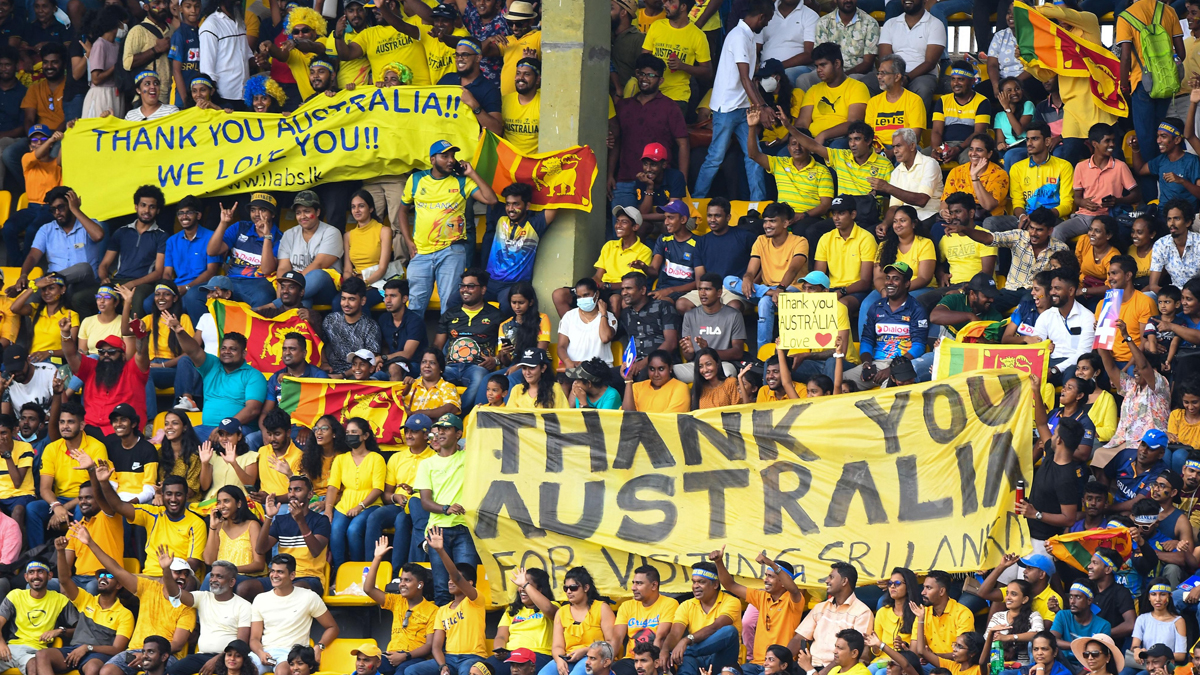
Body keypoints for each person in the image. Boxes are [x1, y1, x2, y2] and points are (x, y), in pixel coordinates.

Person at [403, 142, 498, 316]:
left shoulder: (462, 181)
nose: (450, 160)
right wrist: (408, 241)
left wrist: (472, 173)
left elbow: (491, 200)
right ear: (433, 159)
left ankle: (448, 344)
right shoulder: (416, 179)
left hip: (451, 251)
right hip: (421, 252)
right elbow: (402, 209)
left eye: (452, 156)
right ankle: (415, 343)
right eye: (445, 156)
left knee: (449, 304)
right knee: (415, 306)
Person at [691, 0, 773, 200]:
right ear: (761, 17)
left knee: (754, 155)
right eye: (768, 20)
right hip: (727, 108)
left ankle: (757, 204)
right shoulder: (738, 36)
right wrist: (761, 108)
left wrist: (763, 106)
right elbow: (745, 78)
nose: (767, 25)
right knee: (715, 158)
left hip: (744, 107)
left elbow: (751, 81)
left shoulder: (749, 36)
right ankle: (696, 201)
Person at [41, 533, 132, 675]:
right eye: (101, 575)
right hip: (74, 649)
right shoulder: (87, 599)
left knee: (93, 668)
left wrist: (87, 648)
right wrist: (60, 551)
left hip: (97, 654)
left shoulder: (125, 614)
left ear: (119, 585)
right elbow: (64, 580)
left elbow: (117, 649)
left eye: (109, 576)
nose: (103, 578)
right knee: (42, 655)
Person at [608, 54, 688, 212]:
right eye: (642, 74)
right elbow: (617, 142)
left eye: (651, 75)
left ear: (661, 80)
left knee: (654, 228)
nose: (645, 78)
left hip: (658, 182)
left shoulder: (670, 108)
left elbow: (683, 144)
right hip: (624, 180)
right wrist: (610, 174)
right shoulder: (624, 106)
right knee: (623, 229)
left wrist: (682, 181)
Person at [406, 525, 488, 675]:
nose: (450, 581)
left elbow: (456, 576)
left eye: (454, 580)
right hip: (449, 658)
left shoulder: (475, 599)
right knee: (411, 671)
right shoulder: (442, 610)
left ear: (469, 584)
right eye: (449, 579)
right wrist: (443, 666)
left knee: (467, 672)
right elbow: (436, 647)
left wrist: (440, 550)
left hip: (473, 657)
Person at [10, 188, 105, 314]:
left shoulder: (89, 224)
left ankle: (39, 284)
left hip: (84, 284)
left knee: (83, 267)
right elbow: (33, 256)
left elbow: (99, 235)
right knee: (29, 300)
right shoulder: (46, 229)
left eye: (61, 207)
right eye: (53, 210)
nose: (57, 212)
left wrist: (76, 210)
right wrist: (24, 275)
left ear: (70, 205)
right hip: (55, 287)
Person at [414, 413, 476, 605]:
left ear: (458, 434)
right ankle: (443, 634)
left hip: (464, 529)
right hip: (437, 531)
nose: (440, 433)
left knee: (466, 586)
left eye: (446, 429)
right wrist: (446, 508)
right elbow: (425, 502)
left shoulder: (470, 458)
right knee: (442, 588)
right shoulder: (427, 464)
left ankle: (465, 632)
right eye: (439, 429)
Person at [727, 202, 806, 350]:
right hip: (769, 290)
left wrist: (780, 288)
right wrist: (747, 279)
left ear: (786, 223)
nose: (767, 225)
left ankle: (762, 353)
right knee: (728, 281)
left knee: (764, 302)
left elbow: (793, 269)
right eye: (765, 221)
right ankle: (769, 293)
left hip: (792, 290)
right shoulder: (761, 240)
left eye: (772, 221)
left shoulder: (800, 241)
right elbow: (751, 269)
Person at [27, 401, 106, 548]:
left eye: (70, 422)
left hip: (86, 498)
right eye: (62, 422)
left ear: (82, 425)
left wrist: (64, 508)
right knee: (32, 509)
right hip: (60, 499)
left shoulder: (97, 447)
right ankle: (36, 556)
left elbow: (97, 488)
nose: (65, 426)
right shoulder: (52, 449)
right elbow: (45, 488)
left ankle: (75, 557)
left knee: (82, 508)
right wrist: (56, 506)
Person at [159, 553, 252, 675]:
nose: (213, 579)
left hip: (229, 658)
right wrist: (166, 570)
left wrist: (218, 659)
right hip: (201, 657)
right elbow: (175, 594)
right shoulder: (203, 597)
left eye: (219, 577)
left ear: (231, 582)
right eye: (212, 575)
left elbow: (240, 643)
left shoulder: (244, 605)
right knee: (171, 672)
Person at [249, 554, 339, 675]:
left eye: (280, 572)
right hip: (264, 652)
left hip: (291, 653)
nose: (274, 575)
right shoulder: (260, 599)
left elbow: (332, 627)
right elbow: (254, 638)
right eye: (272, 571)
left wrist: (319, 647)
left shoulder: (309, 596)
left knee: (282, 672)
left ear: (292, 575)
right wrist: (260, 653)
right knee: (241, 670)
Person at [1094, 325, 1171, 461]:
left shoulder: (1159, 384)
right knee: (1100, 456)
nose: (1135, 370)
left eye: (1138, 367)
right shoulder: (1131, 386)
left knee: (1117, 460)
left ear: (1153, 370)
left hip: (1147, 445)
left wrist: (1127, 337)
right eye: (1134, 367)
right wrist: (1102, 336)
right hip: (1123, 441)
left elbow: (1144, 366)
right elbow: (1110, 367)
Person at [844, 263, 927, 389]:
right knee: (841, 382)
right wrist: (867, 363)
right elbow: (867, 340)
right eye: (887, 278)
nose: (889, 282)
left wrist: (893, 369)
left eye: (896, 278)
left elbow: (919, 346)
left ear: (907, 284)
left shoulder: (916, 309)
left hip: (904, 364)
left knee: (889, 386)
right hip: (877, 364)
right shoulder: (876, 307)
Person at [246, 476, 330, 598]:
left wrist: (301, 521)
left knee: (295, 589)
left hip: (309, 578)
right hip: (281, 576)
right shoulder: (280, 520)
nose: (292, 494)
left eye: (297, 490)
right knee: (245, 588)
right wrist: (269, 517)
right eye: (290, 490)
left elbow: (315, 551)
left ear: (310, 494)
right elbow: (260, 549)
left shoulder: (321, 520)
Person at [197, 197, 282, 314]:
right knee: (194, 296)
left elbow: (267, 270)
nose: (257, 214)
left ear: (272, 214)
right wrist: (223, 223)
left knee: (263, 297)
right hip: (231, 280)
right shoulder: (240, 227)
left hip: (258, 282)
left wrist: (267, 236)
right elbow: (212, 251)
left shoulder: (279, 237)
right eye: (253, 210)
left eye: (262, 210)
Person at [365, 541, 435, 675]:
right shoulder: (397, 601)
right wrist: (377, 558)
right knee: (367, 667)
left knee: (404, 671)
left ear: (420, 585)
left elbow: (429, 646)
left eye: (407, 580)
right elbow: (368, 589)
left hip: (414, 659)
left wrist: (405, 656)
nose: (401, 584)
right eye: (401, 580)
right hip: (390, 655)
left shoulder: (432, 610)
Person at [324, 417, 385, 570]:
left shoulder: (376, 458)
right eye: (348, 432)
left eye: (354, 432)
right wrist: (328, 509)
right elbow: (333, 487)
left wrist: (361, 506)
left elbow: (378, 488)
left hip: (370, 504)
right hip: (344, 505)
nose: (350, 435)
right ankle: (339, 572)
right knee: (336, 531)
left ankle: (358, 570)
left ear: (365, 436)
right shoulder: (340, 459)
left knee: (354, 530)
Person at [787, 563, 872, 668]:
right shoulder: (820, 608)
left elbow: (857, 652)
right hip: (810, 665)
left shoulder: (862, 612)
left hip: (838, 669)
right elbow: (798, 638)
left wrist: (820, 673)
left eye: (831, 577)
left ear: (844, 581)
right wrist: (781, 660)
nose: (827, 581)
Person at [664, 562, 740, 675]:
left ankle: (687, 652)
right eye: (694, 582)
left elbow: (716, 627)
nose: (695, 586)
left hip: (722, 659)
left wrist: (686, 641)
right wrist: (664, 650)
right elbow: (675, 634)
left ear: (715, 584)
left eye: (701, 582)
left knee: (730, 631)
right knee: (686, 661)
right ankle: (686, 653)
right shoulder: (686, 605)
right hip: (696, 658)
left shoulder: (732, 601)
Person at [0, 560, 71, 675]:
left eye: (40, 572)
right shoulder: (15, 595)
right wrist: (1, 643)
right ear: (26, 577)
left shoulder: (60, 600)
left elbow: (80, 629)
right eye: (31, 572)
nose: (36, 576)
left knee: (35, 666)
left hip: (36, 652)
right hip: (11, 648)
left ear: (50, 576)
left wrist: (60, 631)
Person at [539, 568, 615, 675]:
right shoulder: (561, 612)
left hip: (594, 658)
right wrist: (559, 660)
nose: (569, 591)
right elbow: (557, 646)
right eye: (566, 588)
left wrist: (585, 650)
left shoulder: (602, 608)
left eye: (573, 588)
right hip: (568, 658)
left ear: (586, 588)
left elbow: (611, 643)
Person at [639, 0, 711, 111]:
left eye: (671, 2)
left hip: (677, 97)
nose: (665, 5)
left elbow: (707, 72)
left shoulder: (698, 36)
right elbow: (642, 60)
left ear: (683, 7)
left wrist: (683, 66)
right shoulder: (656, 26)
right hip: (650, 93)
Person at [275, 191, 343, 309]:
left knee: (318, 274)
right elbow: (283, 267)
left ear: (317, 212)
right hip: (298, 293)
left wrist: (293, 287)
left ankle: (274, 305)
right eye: (298, 213)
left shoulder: (331, 232)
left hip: (325, 289)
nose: (302, 216)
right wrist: (281, 292)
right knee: (302, 304)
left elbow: (319, 264)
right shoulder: (289, 234)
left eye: (307, 211)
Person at [794, 42, 869, 149]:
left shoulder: (857, 87)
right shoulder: (813, 90)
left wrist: (823, 135)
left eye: (823, 65)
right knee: (783, 154)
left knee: (836, 147)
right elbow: (802, 123)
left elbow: (853, 123)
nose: (818, 70)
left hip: (840, 139)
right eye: (816, 66)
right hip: (813, 139)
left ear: (837, 64)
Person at [877, 0, 945, 113]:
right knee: (866, 83)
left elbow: (930, 62)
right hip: (893, 72)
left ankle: (915, 128)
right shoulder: (890, 23)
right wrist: (894, 76)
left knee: (923, 88)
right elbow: (885, 59)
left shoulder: (935, 24)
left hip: (922, 74)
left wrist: (906, 78)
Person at [1030, 269, 1095, 385]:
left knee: (1073, 373)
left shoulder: (1087, 317)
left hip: (1073, 364)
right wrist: (1045, 348)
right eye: (1051, 288)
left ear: (1071, 291)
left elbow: (1083, 354)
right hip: (1050, 362)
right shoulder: (1046, 316)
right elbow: (1036, 347)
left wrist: (1055, 369)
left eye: (1057, 289)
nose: (1052, 292)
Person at [676, 274, 745, 383]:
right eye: (700, 289)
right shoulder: (689, 315)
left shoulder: (733, 315)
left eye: (707, 289)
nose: (702, 293)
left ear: (719, 292)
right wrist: (688, 351)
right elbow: (688, 356)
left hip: (721, 364)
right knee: (671, 372)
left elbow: (738, 352)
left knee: (728, 372)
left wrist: (709, 351)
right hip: (696, 365)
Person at [162, 197, 220, 317]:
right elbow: (167, 272)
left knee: (190, 298)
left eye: (188, 212)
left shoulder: (211, 237)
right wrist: (166, 290)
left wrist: (187, 287)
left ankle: (198, 335)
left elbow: (211, 271)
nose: (184, 217)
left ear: (198, 215)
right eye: (180, 213)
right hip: (177, 287)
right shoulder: (172, 241)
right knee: (148, 303)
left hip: (202, 286)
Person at [612, 565, 678, 667]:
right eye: (633, 583)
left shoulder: (669, 603)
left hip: (656, 658)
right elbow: (617, 638)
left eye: (639, 583)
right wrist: (606, 662)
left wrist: (652, 663)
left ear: (654, 586)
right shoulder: (626, 606)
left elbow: (660, 637)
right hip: (631, 659)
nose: (633, 588)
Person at [807, 0, 878, 93]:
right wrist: (832, 74)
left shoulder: (870, 23)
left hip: (857, 73)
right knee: (805, 79)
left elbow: (867, 63)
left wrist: (843, 75)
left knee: (853, 80)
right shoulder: (824, 22)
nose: (848, 0)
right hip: (827, 70)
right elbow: (820, 56)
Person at [929, 62, 990, 165]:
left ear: (971, 81)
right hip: (945, 145)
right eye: (953, 79)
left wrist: (958, 148)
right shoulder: (943, 100)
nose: (955, 83)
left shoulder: (982, 101)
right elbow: (936, 131)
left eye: (961, 79)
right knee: (922, 159)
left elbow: (978, 133)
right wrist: (937, 149)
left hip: (969, 146)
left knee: (970, 161)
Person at [865, 55, 926, 156]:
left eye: (883, 73)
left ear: (897, 76)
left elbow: (915, 136)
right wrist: (878, 150)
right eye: (878, 73)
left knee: (909, 152)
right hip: (879, 149)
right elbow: (869, 134)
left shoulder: (914, 100)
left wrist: (893, 152)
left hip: (904, 149)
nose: (879, 77)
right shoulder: (873, 102)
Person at [11, 273, 77, 365]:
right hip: (33, 362)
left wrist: (49, 353)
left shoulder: (71, 315)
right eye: (44, 289)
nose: (46, 292)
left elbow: (72, 349)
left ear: (63, 289)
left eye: (51, 288)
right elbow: (14, 308)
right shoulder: (35, 309)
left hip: (55, 362)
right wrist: (34, 286)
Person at [322, 278, 382, 376]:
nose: (346, 304)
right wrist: (324, 363)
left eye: (352, 299)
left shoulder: (371, 326)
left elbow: (370, 361)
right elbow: (320, 345)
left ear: (363, 301)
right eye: (343, 298)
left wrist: (342, 376)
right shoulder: (330, 319)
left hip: (357, 376)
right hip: (331, 372)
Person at [103, 403, 158, 506]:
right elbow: (113, 483)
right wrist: (117, 502)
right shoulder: (111, 447)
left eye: (123, 420)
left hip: (142, 501)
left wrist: (130, 503)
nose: (118, 424)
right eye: (115, 420)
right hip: (118, 500)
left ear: (133, 424)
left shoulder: (148, 449)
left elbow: (150, 487)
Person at [557, 279, 618, 371]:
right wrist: (567, 361)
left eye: (586, 295)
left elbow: (605, 338)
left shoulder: (610, 317)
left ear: (596, 294)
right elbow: (561, 346)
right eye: (579, 297)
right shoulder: (569, 316)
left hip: (600, 369)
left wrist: (603, 313)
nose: (583, 299)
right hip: (575, 367)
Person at [1147, 200, 1200, 297]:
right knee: (1147, 297)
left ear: (1188, 222)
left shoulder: (1198, 243)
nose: (1172, 223)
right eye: (1169, 219)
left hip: (1197, 295)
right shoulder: (1161, 244)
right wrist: (1171, 295)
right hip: (1173, 295)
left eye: (1177, 218)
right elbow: (1153, 286)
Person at [796, 630, 869, 675]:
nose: (834, 651)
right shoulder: (835, 670)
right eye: (835, 647)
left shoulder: (862, 673)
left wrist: (809, 668)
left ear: (854, 653)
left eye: (840, 648)